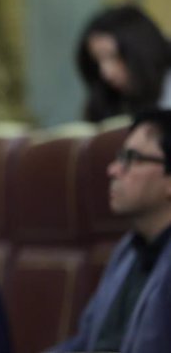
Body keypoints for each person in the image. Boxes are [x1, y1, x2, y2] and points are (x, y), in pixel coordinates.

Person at [50, 109, 171, 352]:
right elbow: (87, 342)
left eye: (131, 157)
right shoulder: (128, 249)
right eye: (119, 156)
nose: (113, 170)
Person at [76, 4, 171, 122]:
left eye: (113, 56)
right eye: (96, 62)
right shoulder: (110, 100)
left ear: (141, 49)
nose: (106, 73)